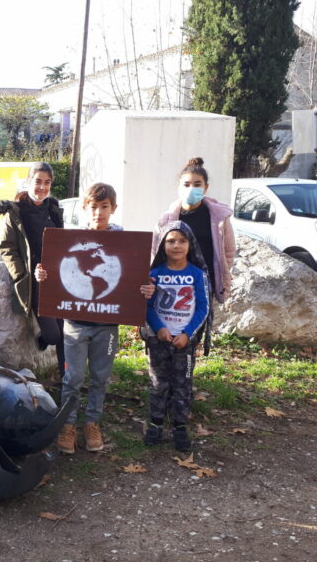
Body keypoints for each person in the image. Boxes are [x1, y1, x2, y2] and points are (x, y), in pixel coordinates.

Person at [39, 183, 151, 454]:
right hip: (75, 325)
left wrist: (146, 288)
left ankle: (92, 422)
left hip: (107, 326)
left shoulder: (125, 242)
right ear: (84, 208)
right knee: (72, 378)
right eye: (93, 206)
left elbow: (135, 277)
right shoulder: (70, 239)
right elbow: (54, 273)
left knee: (101, 377)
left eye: (104, 207)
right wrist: (42, 274)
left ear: (113, 209)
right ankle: (68, 424)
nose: (98, 212)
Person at [0, 162, 66, 385]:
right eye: (38, 181)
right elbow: (7, 248)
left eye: (47, 183)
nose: (42, 187)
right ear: (28, 182)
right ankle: (42, 338)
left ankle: (67, 381)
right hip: (34, 281)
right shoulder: (15, 212)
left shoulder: (53, 209)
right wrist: (21, 275)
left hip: (56, 278)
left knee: (65, 333)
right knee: (53, 336)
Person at [143, 221, 210, 452]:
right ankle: (155, 422)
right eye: (171, 241)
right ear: (163, 245)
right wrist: (158, 327)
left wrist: (187, 333)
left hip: (184, 341)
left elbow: (203, 307)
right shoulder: (154, 274)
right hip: (158, 338)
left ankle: (180, 426)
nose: (176, 246)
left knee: (183, 384)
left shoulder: (197, 274)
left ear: (190, 245)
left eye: (182, 241)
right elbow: (147, 305)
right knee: (158, 382)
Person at [152, 157, 235, 304]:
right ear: (179, 187)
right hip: (174, 285)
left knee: (203, 325)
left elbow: (228, 251)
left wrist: (221, 273)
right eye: (186, 184)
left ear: (206, 188)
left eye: (197, 185)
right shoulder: (166, 220)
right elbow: (154, 253)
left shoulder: (219, 218)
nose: (191, 189)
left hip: (206, 285)